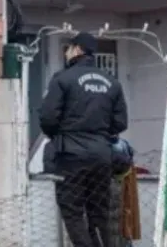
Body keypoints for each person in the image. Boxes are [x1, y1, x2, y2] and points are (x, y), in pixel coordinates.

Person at [39, 32, 128, 247]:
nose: (66, 53)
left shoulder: (62, 79)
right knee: (99, 212)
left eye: (68, 49)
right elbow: (120, 122)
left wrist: (60, 135)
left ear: (77, 49)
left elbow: (48, 117)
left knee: (72, 211)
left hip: (70, 156)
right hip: (101, 156)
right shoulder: (112, 82)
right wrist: (99, 135)